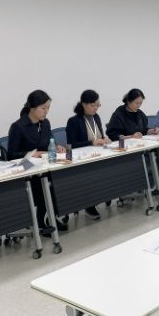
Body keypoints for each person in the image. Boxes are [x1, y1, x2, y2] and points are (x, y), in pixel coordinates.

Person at [8, 90, 67, 232]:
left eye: (48, 108)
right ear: (32, 108)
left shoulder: (45, 123)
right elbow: (10, 155)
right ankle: (43, 220)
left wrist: (56, 147)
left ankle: (50, 217)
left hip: (43, 167)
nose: (46, 111)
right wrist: (32, 154)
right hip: (26, 170)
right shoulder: (18, 127)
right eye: (43, 108)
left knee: (61, 178)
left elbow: (49, 143)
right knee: (46, 183)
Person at [65, 89, 110, 220]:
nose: (96, 108)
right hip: (82, 160)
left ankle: (107, 194)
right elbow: (71, 145)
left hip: (98, 155)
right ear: (84, 104)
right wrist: (92, 142)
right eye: (93, 105)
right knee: (92, 174)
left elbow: (99, 136)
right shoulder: (73, 121)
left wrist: (104, 139)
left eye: (98, 105)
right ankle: (89, 205)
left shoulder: (96, 117)